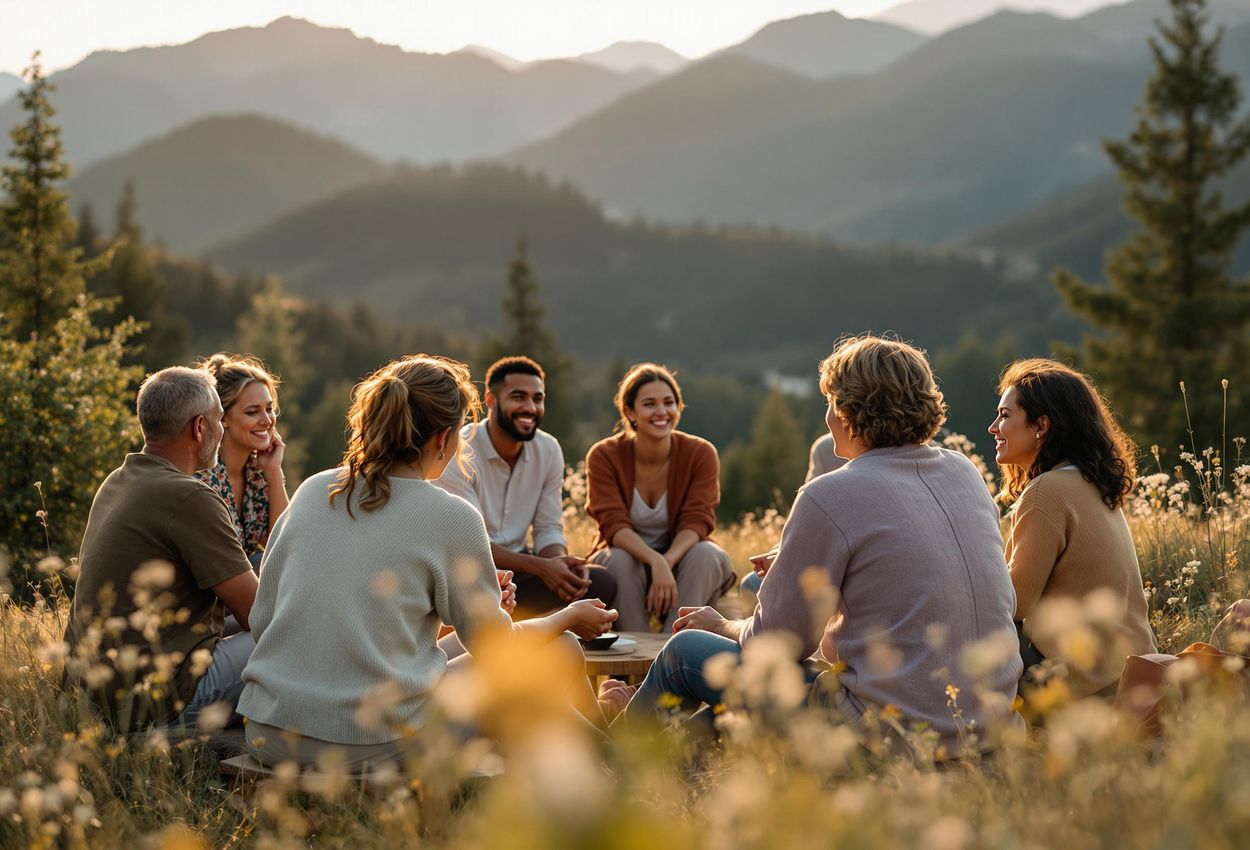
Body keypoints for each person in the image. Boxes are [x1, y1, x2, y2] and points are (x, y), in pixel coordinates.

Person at [619, 336, 1021, 757]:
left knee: (685, 652)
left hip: (887, 737)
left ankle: (617, 765)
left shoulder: (830, 494)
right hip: (990, 732)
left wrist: (721, 625)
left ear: (848, 411)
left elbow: (778, 643)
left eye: (830, 403)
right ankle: (672, 760)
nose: (827, 417)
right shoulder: (965, 473)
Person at [237, 355, 618, 770]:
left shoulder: (313, 491)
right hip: (371, 743)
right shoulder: (450, 516)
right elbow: (498, 652)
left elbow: (262, 620)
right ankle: (612, 767)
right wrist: (566, 616)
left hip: (269, 732)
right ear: (442, 439)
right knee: (548, 652)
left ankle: (607, 750)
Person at [63, 367, 259, 731]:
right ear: (199, 427)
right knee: (295, 639)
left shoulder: (119, 480)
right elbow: (259, 616)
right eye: (219, 420)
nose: (221, 431)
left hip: (95, 694)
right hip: (157, 703)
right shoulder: (190, 496)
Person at [989, 359, 1156, 698]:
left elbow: (1013, 606)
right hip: (1135, 673)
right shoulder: (1089, 480)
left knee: (975, 629)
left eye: (1005, 416)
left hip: (1086, 687)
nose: (993, 427)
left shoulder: (1046, 491)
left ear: (1041, 426)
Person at [435, 356, 616, 618]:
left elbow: (548, 528)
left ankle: (536, 629)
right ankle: (527, 630)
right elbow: (470, 543)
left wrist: (559, 565)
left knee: (599, 583)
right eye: (518, 397)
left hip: (521, 571)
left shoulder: (548, 449)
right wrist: (542, 568)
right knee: (479, 591)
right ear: (491, 400)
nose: (530, 407)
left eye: (538, 399)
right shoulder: (460, 448)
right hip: (470, 572)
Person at [586, 363, 735, 632]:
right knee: (618, 559)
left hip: (684, 562)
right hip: (627, 560)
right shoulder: (604, 455)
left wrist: (666, 562)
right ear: (629, 412)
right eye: (649, 404)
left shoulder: (700, 453)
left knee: (707, 554)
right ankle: (635, 658)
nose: (661, 412)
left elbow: (698, 521)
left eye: (669, 402)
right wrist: (654, 560)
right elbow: (613, 525)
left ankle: (673, 651)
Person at [194, 354, 289, 570]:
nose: (267, 420)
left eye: (269, 408)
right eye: (252, 412)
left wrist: (274, 472)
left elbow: (284, 547)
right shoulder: (201, 476)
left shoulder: (257, 473)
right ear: (223, 418)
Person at [740, 431, 848, 595]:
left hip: (841, 561)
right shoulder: (826, 448)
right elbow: (808, 519)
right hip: (820, 554)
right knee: (752, 582)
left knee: (753, 584)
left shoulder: (830, 448)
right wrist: (781, 552)